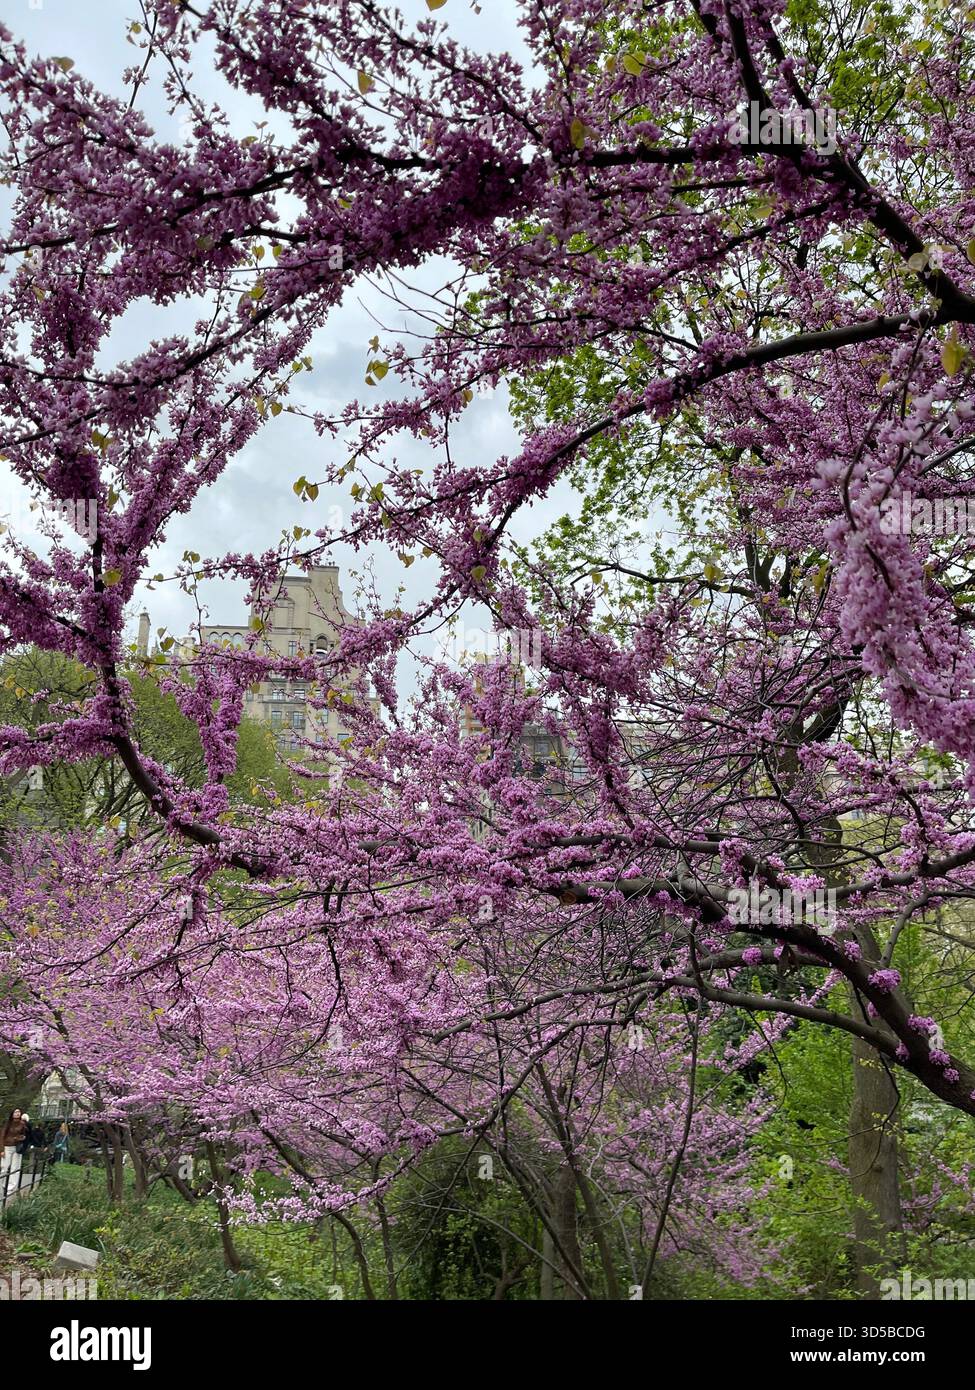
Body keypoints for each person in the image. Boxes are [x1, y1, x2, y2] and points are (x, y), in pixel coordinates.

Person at [0, 1108, 28, 1181]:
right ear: (12, 1114)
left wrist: (19, 1138)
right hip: (7, 1147)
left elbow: (24, 1135)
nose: (17, 1113)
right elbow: (2, 1136)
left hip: (17, 1147)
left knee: (15, 1168)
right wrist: (2, 1150)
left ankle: (11, 1189)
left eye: (19, 1112)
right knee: (4, 1167)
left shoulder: (22, 1124)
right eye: (15, 1112)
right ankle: (1, 1185)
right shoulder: (8, 1123)